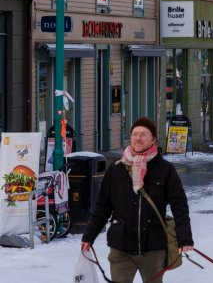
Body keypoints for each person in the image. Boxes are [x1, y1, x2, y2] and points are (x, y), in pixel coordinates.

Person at [81, 118, 193, 283]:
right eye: (135, 134)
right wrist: (88, 236)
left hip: (153, 248)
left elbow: (180, 206)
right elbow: (102, 207)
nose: (138, 138)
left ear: (153, 139)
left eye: (143, 134)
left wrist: (185, 239)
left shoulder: (165, 170)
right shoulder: (116, 168)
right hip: (121, 248)